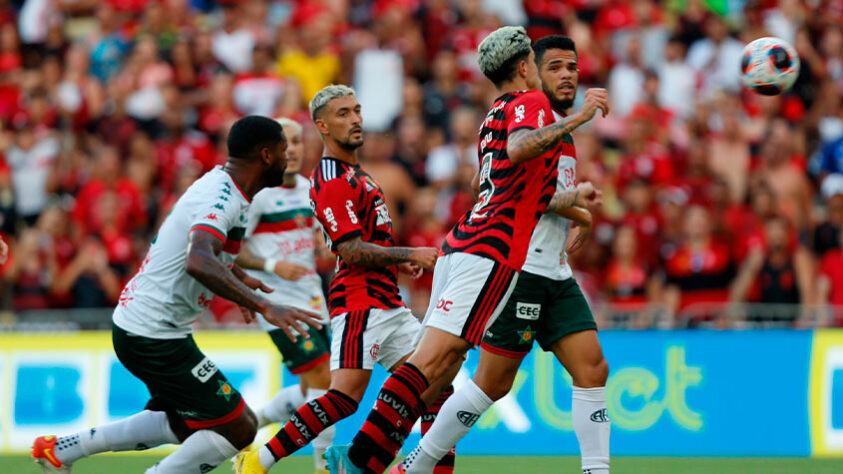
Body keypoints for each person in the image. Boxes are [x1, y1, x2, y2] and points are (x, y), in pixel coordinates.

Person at [326, 26, 608, 474]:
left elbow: (502, 185)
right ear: (524, 67)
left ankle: (373, 459)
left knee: (444, 364)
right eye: (546, 65)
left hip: (475, 247)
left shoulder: (497, 110)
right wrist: (579, 117)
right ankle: (362, 458)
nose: (558, 75)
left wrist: (579, 209)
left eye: (571, 67)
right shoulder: (532, 106)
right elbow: (515, 156)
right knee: (437, 363)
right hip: (494, 253)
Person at [31, 116, 322, 474]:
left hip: (153, 328)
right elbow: (197, 260)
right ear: (265, 155)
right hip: (153, 334)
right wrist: (261, 304)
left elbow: (209, 254)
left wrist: (240, 280)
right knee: (240, 427)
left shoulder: (235, 192)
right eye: (282, 149)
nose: (288, 157)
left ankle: (62, 450)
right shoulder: (222, 195)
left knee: (188, 422)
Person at [234, 85, 456, 474]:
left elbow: (363, 242)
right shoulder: (334, 179)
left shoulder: (358, 174)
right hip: (360, 305)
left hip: (389, 302)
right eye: (342, 114)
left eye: (356, 111)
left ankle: (399, 465)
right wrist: (409, 253)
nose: (354, 119)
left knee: (436, 387)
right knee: (343, 398)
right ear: (322, 125)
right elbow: (351, 251)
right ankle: (260, 460)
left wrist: (396, 262)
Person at [233, 117, 335, 473]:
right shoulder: (259, 195)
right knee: (326, 381)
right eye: (282, 143)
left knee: (312, 391)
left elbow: (316, 240)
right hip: (278, 304)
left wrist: (323, 246)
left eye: (295, 141)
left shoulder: (310, 189)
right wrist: (274, 266)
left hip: (313, 301)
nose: (290, 149)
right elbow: (231, 249)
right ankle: (324, 466)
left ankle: (251, 425)